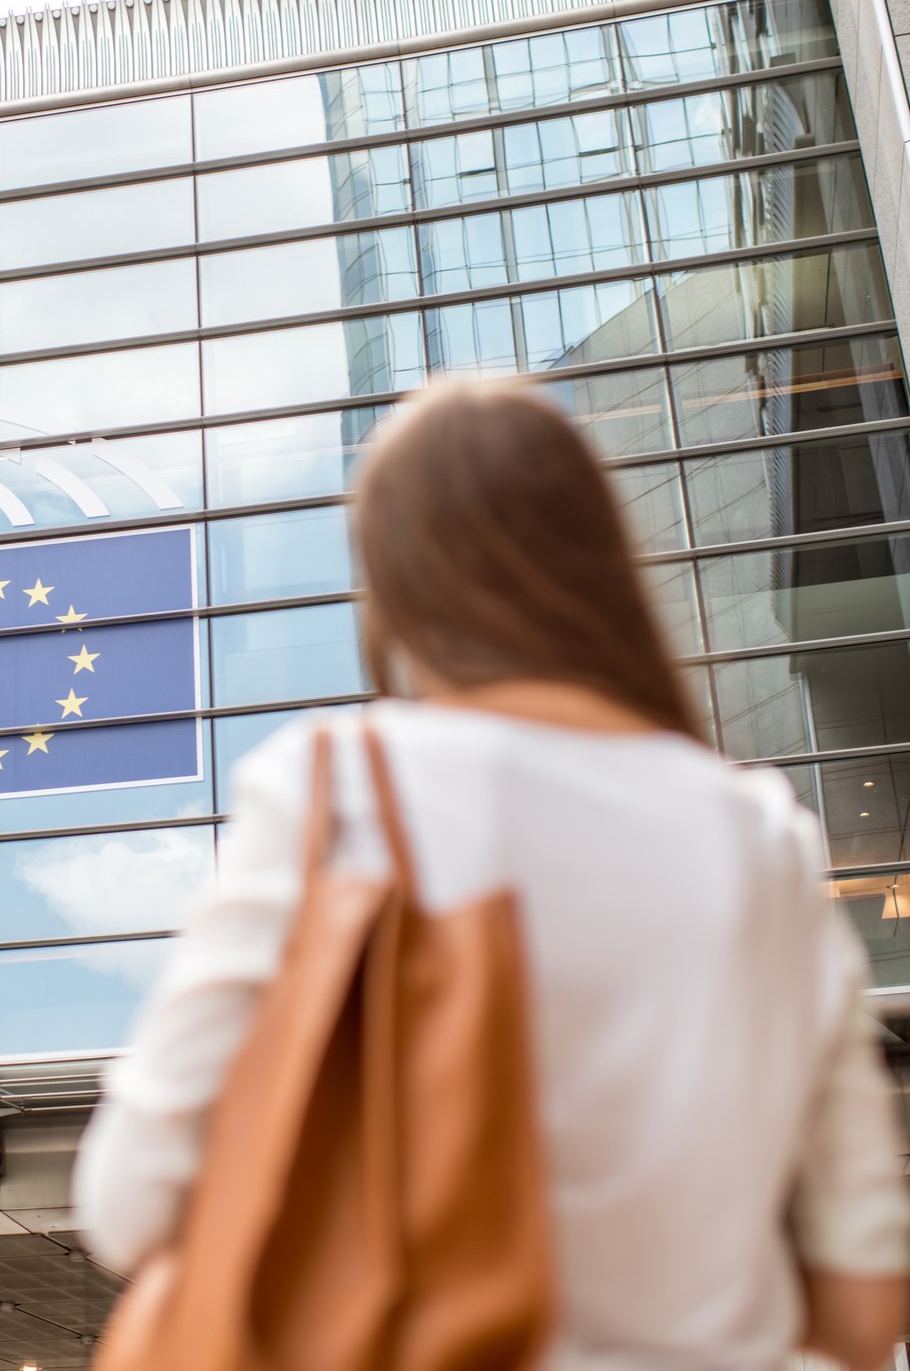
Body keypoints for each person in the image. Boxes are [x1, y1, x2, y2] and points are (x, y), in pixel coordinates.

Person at [74, 380, 910, 1370]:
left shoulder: (338, 789)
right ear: (601, 567)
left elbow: (130, 1197)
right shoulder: (757, 835)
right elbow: (863, 1291)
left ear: (394, 588)